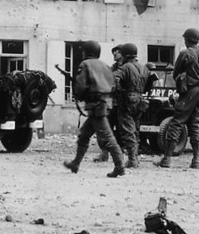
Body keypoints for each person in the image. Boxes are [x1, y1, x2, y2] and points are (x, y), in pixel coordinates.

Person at [63, 40, 126, 178]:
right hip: (104, 103)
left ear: (86, 52)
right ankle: (76, 163)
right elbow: (113, 85)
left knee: (108, 137)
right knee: (84, 135)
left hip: (95, 106)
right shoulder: (106, 66)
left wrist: (80, 95)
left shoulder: (85, 64)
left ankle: (120, 166)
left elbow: (80, 86)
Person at [156, 28, 199, 169]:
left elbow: (176, 72)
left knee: (177, 122)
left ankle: (167, 158)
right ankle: (195, 160)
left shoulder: (185, 54)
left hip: (189, 92)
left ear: (188, 39)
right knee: (196, 124)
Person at [113, 43, 149, 169]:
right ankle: (135, 158)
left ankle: (132, 160)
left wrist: (119, 90)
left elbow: (114, 80)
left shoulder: (125, 67)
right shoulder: (144, 68)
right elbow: (151, 85)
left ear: (124, 54)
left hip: (126, 100)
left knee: (127, 131)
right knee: (136, 130)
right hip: (140, 100)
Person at [95, 45, 124, 163]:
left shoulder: (127, 68)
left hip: (123, 103)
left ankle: (120, 155)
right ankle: (104, 153)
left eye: (117, 52)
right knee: (106, 129)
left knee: (123, 130)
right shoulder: (112, 68)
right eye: (113, 52)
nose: (115, 54)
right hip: (111, 102)